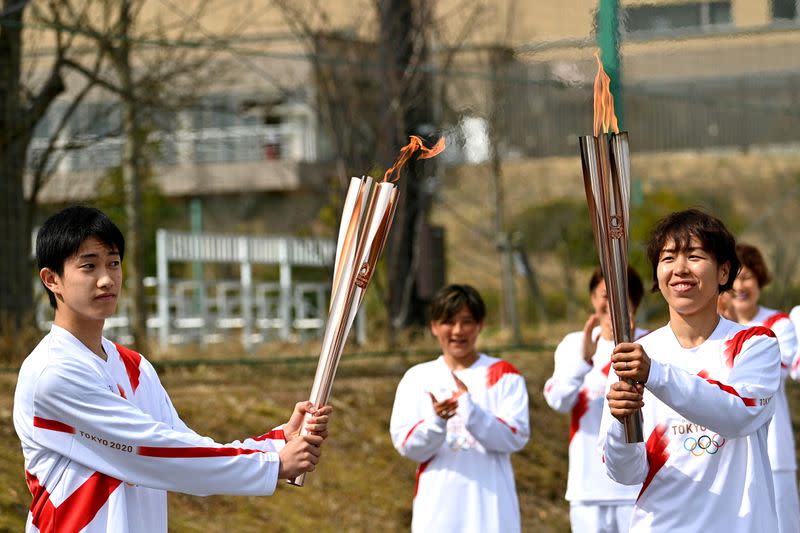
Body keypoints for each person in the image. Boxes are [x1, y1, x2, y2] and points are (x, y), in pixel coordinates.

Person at [13, 206, 332, 533]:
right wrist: (273, 464)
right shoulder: (52, 375)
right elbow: (151, 451)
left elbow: (185, 447)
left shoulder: (135, 368)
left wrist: (277, 441)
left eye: (114, 262)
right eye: (89, 266)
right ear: (52, 280)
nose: (107, 278)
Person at [601, 208, 781, 531]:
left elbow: (738, 414)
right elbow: (626, 473)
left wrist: (654, 375)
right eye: (668, 258)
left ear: (724, 272)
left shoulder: (754, 345)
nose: (680, 269)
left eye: (694, 256)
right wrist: (620, 423)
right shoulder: (638, 355)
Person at [389, 284, 530, 533]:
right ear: (434, 326)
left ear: (480, 325)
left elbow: (515, 437)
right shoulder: (418, 378)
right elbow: (406, 445)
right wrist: (436, 421)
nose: (458, 331)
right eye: (448, 322)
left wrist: (471, 411)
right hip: (437, 513)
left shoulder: (504, 374)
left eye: (466, 322)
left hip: (493, 513)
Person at [544, 265, 647, 532]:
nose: (612, 302)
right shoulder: (574, 344)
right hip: (587, 487)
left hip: (637, 486)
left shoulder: (652, 344)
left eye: (621, 294)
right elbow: (559, 401)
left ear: (634, 301)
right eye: (604, 294)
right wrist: (583, 361)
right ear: (592, 298)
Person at [727, 243, 800, 533]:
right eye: (734, 277)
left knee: (783, 524)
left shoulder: (778, 323)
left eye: (747, 277)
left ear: (759, 280)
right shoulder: (717, 328)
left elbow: (776, 372)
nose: (739, 286)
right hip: (732, 450)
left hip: (774, 448)